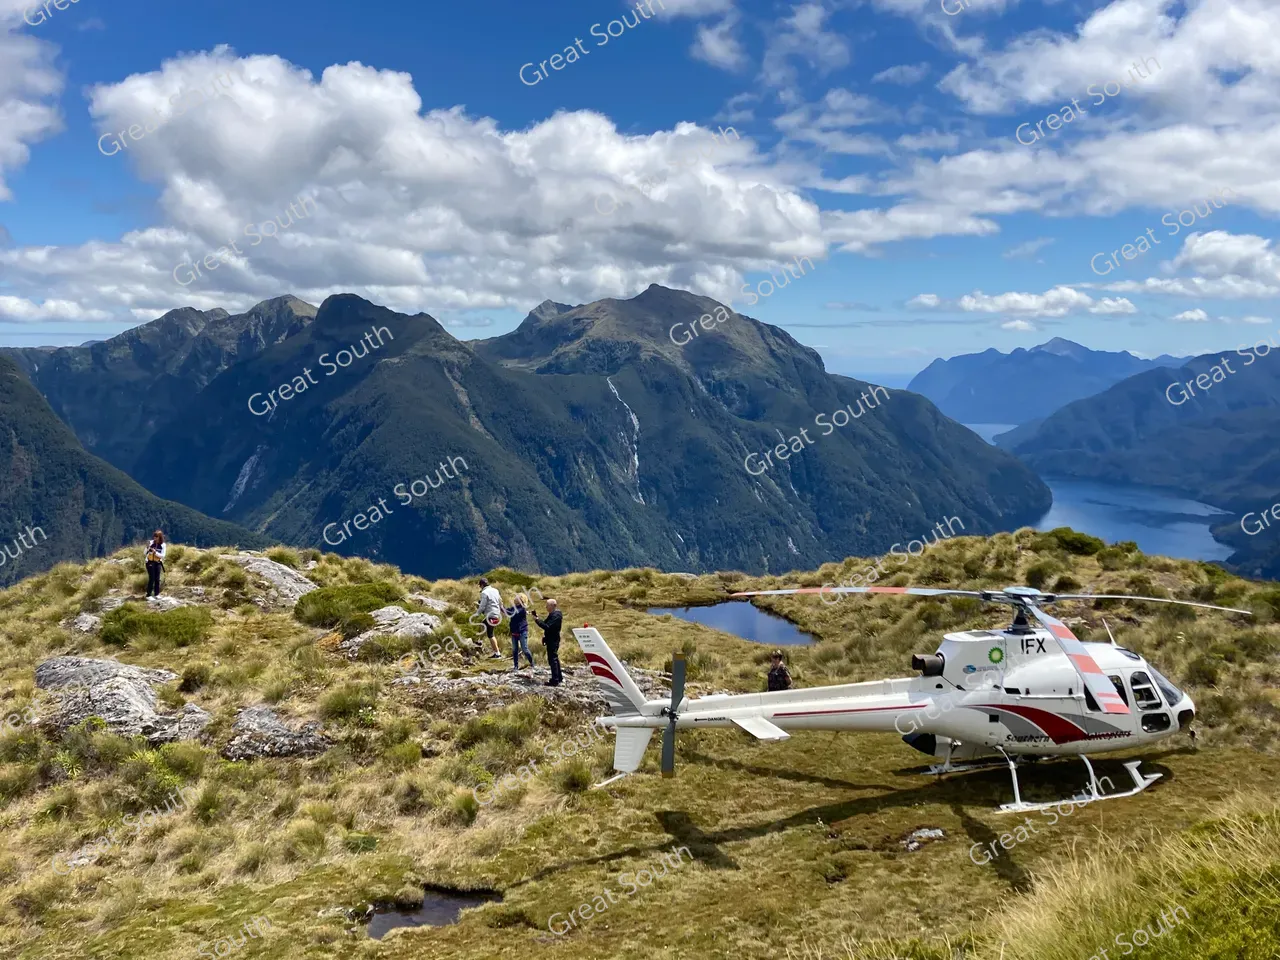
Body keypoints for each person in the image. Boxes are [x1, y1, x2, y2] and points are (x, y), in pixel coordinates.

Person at [534, 598, 563, 686]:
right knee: (554, 658)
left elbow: (547, 626)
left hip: (553, 640)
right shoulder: (553, 614)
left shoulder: (556, 615)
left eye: (547, 605)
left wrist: (537, 620)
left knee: (552, 659)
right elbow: (546, 624)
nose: (546, 607)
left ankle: (555, 680)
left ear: (553, 606)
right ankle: (559, 677)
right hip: (551, 639)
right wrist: (538, 619)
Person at [506, 592, 535, 672]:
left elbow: (513, 614)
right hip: (514, 632)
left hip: (522, 631)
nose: (515, 599)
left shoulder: (522, 609)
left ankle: (532, 664)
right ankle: (516, 666)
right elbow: (507, 611)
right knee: (515, 650)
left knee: (525, 649)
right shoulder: (513, 607)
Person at [476, 578, 504, 659]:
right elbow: (500, 601)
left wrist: (477, 613)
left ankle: (497, 653)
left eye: (480, 586)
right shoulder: (495, 590)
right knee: (483, 624)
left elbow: (482, 606)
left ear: (481, 585)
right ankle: (479, 642)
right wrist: (502, 610)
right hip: (496, 614)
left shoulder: (484, 593)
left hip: (491, 615)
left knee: (490, 635)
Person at [144, 530, 167, 598]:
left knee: (157, 579)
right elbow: (144, 553)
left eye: (157, 537)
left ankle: (157, 594)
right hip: (150, 562)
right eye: (154, 536)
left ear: (160, 537)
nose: (155, 538)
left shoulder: (163, 545)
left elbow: (163, 555)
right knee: (152, 578)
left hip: (158, 563)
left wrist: (155, 552)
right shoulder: (150, 543)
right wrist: (147, 547)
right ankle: (148, 595)